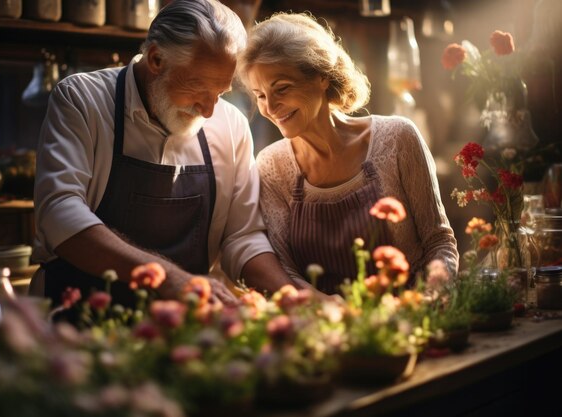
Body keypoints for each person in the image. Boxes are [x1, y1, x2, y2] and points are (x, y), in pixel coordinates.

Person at [30, 0, 300, 308]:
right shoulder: (83, 100)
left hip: (180, 328)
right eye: (198, 87)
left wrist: (291, 295)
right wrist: (167, 276)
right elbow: (58, 213)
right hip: (78, 316)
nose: (209, 110)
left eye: (220, 92)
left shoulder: (230, 124)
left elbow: (242, 237)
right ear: (156, 58)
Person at [237, 12, 459, 295]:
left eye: (282, 88)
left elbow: (439, 242)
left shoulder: (398, 138)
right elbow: (285, 269)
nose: (270, 107)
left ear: (321, 78)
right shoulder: (271, 165)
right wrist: (327, 310)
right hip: (326, 326)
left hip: (410, 317)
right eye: (260, 95)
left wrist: (423, 303)